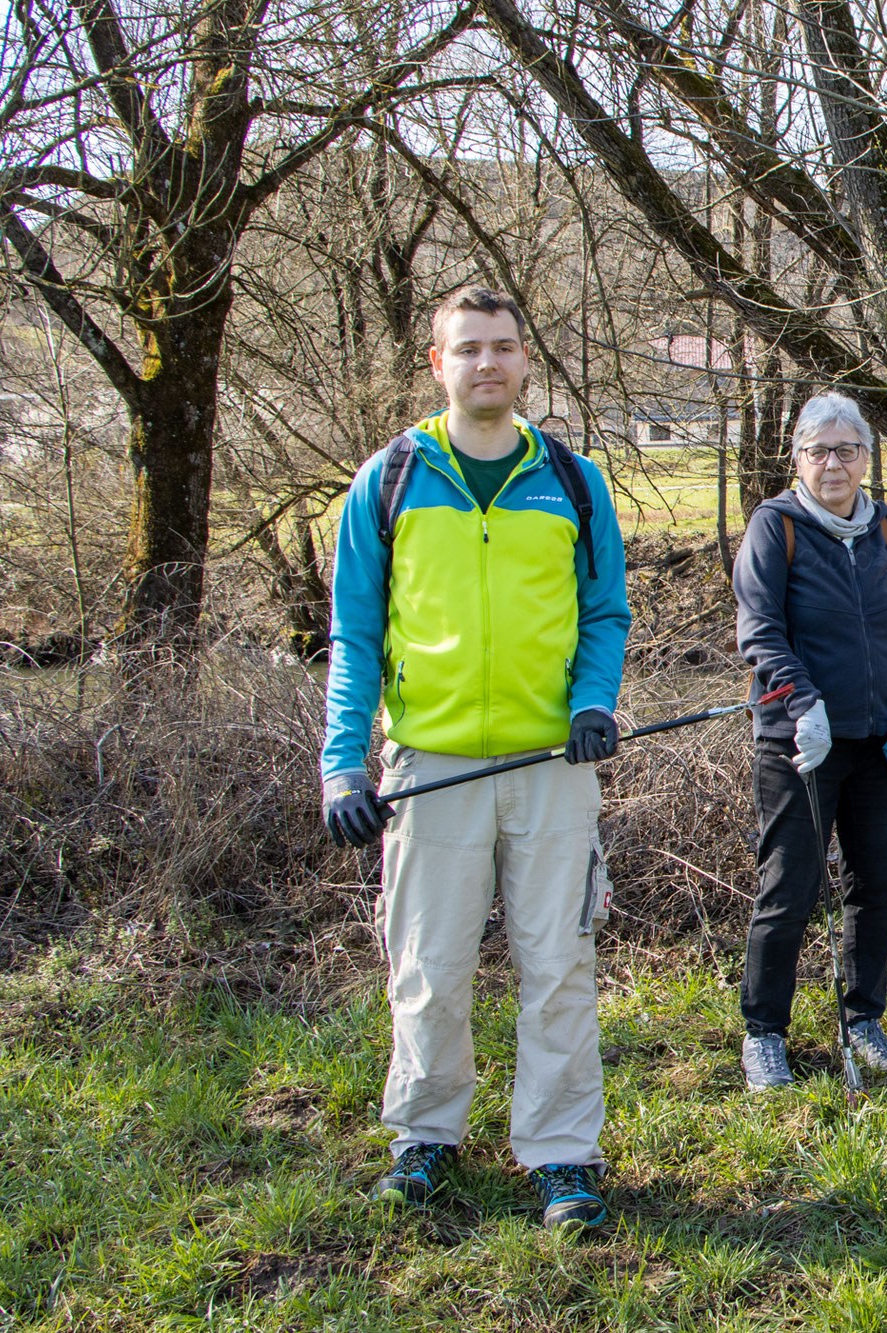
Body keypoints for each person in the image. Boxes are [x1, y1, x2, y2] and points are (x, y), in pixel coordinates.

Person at [319, 286, 631, 1229]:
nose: (486, 364)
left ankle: (562, 1153)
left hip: (551, 768)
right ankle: (424, 1136)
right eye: (468, 349)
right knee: (427, 964)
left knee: (559, 965)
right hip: (429, 771)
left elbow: (605, 612)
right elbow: (355, 637)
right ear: (437, 363)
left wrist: (591, 704)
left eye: (502, 347)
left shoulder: (573, 482)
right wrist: (343, 765)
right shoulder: (389, 480)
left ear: (526, 360)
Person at [731, 391, 887, 1091]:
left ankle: (864, 1019)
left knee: (875, 885)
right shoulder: (776, 527)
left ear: (866, 457)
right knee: (788, 888)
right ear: (798, 457)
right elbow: (758, 631)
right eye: (819, 451)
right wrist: (802, 701)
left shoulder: (883, 527)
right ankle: (764, 1033)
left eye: (847, 450)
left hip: (880, 739)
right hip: (800, 743)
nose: (834, 463)